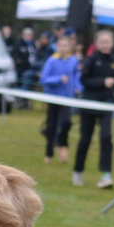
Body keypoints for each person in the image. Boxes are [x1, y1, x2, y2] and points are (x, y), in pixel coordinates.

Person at [72, 29, 114, 189]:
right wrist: (102, 82)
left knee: (106, 137)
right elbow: (84, 79)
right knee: (85, 139)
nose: (105, 45)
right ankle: (78, 170)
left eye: (108, 42)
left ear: (112, 43)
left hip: (107, 103)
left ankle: (106, 174)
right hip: (90, 103)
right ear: (97, 43)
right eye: (102, 42)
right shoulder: (91, 59)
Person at [39, 33, 78, 164]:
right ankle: (49, 153)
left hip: (67, 98)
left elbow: (76, 76)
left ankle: (62, 145)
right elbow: (44, 79)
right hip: (53, 98)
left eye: (65, 46)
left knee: (67, 122)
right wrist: (58, 79)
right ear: (57, 46)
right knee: (52, 126)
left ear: (69, 47)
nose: (63, 48)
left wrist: (78, 87)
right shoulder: (52, 60)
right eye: (61, 45)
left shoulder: (73, 60)